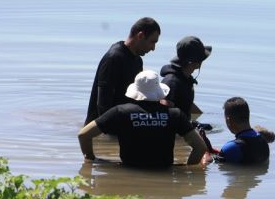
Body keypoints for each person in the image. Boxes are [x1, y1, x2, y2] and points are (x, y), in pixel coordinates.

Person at [78, 70, 208, 168]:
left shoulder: (120, 112)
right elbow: (200, 147)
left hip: (129, 171)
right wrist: (187, 170)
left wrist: (90, 159)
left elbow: (83, 134)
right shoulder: (175, 115)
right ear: (159, 91)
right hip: (163, 173)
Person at [85, 17, 161, 124]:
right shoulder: (114, 58)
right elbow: (103, 104)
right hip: (101, 131)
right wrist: (113, 132)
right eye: (152, 42)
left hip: (123, 125)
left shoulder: (137, 60)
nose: (153, 48)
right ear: (140, 36)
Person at [201, 97, 274, 165]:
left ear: (228, 120)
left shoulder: (233, 147)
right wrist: (210, 149)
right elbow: (241, 152)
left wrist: (204, 150)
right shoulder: (263, 141)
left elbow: (206, 164)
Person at [160, 36, 212, 117]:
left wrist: (203, 117)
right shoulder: (171, 82)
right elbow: (163, 113)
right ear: (193, 62)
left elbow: (186, 103)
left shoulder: (185, 78)